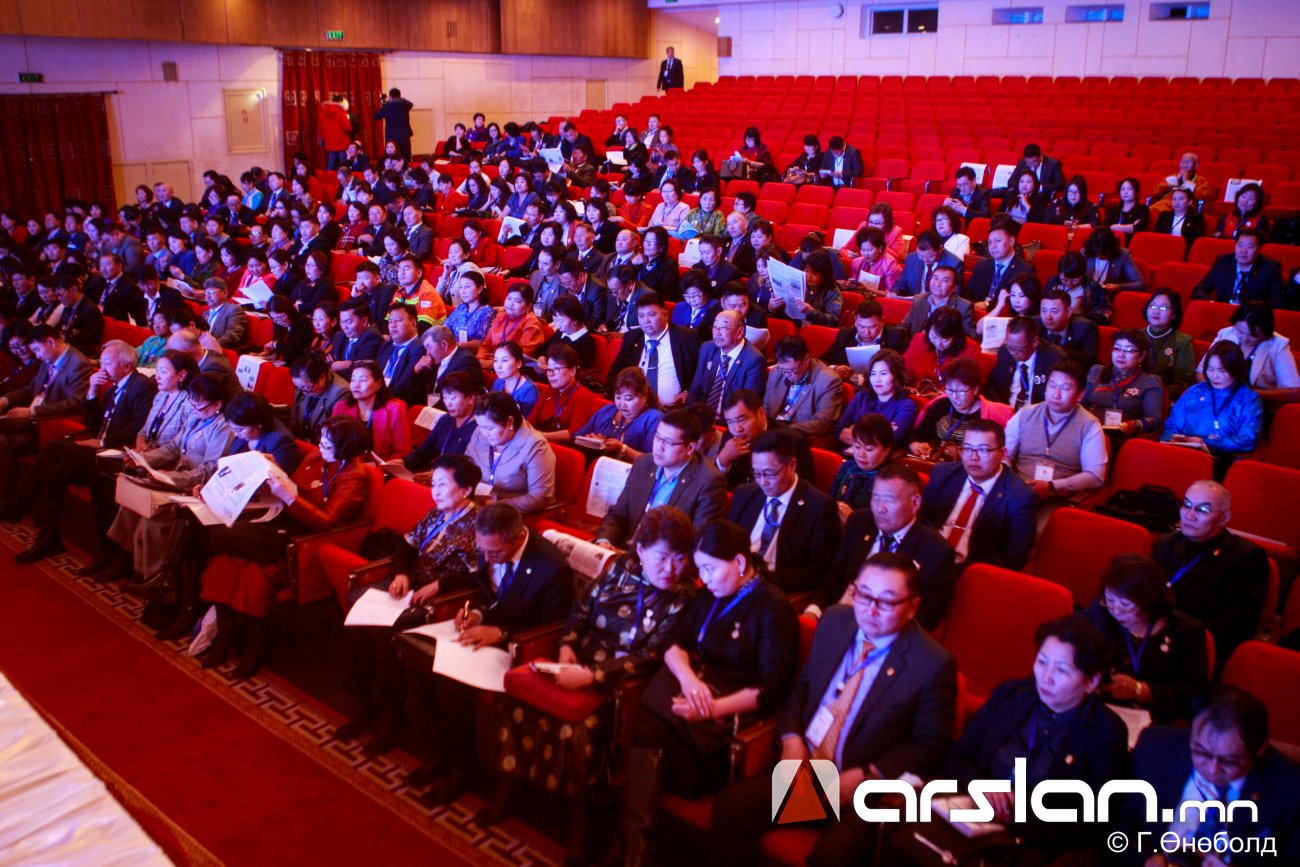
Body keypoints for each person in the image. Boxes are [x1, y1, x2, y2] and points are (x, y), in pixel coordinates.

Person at [716, 549, 959, 867]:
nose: (870, 609)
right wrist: (791, 737)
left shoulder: (930, 663)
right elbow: (802, 688)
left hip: (864, 793)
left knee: (832, 856)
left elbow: (931, 746)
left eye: (886, 602)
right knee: (731, 807)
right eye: (863, 595)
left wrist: (870, 774)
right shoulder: (834, 622)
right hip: (807, 773)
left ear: (913, 606)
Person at [488, 507, 697, 858]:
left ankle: (580, 830)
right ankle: (509, 792)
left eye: (680, 558)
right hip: (575, 664)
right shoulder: (619, 570)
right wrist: (567, 644)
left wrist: (592, 676)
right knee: (514, 699)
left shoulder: (683, 596)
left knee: (580, 731)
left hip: (618, 686)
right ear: (641, 550)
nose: (671, 568)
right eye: (662, 557)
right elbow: (581, 610)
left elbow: (653, 654)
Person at [616, 519, 799, 865]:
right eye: (700, 569)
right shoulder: (710, 594)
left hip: (724, 728)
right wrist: (689, 681)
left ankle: (634, 852)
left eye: (711, 569)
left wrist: (712, 708)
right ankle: (636, 851)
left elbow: (772, 689)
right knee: (645, 732)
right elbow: (674, 643)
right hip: (688, 706)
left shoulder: (772, 608)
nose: (705, 578)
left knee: (645, 737)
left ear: (740, 562)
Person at [903, 616, 1128, 865]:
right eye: (1041, 662)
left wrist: (1015, 814)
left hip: (1032, 839)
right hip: (968, 808)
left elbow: (1094, 822)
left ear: (1092, 681)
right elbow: (958, 758)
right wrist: (981, 786)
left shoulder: (1106, 732)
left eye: (1062, 670)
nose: (1046, 677)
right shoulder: (1012, 694)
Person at [398, 502, 575, 806]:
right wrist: (476, 614)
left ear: (519, 538)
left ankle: (462, 770)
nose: (487, 557)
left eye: (494, 553)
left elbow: (552, 626)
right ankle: (438, 754)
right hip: (483, 633)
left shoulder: (551, 568)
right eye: (483, 550)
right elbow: (486, 591)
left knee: (450, 683)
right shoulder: (486, 546)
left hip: (521, 646)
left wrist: (502, 633)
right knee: (417, 661)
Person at [199, 416, 371, 678]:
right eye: (321, 440)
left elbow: (326, 522)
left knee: (254, 573)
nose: (320, 446)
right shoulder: (317, 456)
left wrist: (288, 497)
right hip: (282, 521)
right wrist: (275, 470)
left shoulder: (354, 477)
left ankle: (254, 650)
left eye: (328, 443)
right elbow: (296, 486)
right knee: (224, 563)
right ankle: (223, 640)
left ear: (346, 447)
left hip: (304, 539)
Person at [338, 455, 481, 754]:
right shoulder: (437, 513)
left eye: (443, 485)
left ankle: (390, 721)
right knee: (360, 622)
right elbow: (405, 545)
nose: (436, 491)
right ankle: (364, 708)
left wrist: (439, 586)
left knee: (386, 640)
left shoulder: (477, 525)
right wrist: (402, 573)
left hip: (441, 601)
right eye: (434, 484)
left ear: (466, 489)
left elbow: (479, 576)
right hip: (411, 587)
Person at [12, 341, 156, 563]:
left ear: (126, 366)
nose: (102, 369)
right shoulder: (112, 389)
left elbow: (138, 426)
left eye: (108, 363)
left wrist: (101, 442)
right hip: (99, 450)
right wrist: (92, 392)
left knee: (53, 448)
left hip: (116, 454)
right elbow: (93, 424)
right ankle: (47, 539)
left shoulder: (141, 386)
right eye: (102, 363)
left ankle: (20, 494)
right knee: (54, 471)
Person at [1121, 688, 1300, 865]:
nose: (1212, 770)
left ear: (1259, 749)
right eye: (1201, 752)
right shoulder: (1155, 747)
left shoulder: (1291, 789)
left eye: (1229, 761)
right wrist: (1146, 858)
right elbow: (1122, 826)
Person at [105, 372, 235, 591]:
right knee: (132, 502)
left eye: (199, 405)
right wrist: (143, 459)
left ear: (218, 404)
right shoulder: (196, 416)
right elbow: (173, 448)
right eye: (191, 403)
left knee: (151, 521)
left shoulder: (223, 428)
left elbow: (210, 469)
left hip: (194, 487)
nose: (193, 409)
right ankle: (123, 560)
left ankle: (154, 579)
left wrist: (169, 477)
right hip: (175, 477)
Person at [816, 465, 957, 630]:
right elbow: (833, 576)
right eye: (876, 498)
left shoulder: (936, 551)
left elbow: (927, 619)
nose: (880, 508)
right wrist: (814, 609)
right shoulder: (859, 522)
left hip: (886, 633)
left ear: (915, 503)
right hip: (836, 619)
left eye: (889, 500)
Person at [1081, 553, 1209, 724]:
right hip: (1102, 709)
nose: (1116, 611)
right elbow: (1065, 636)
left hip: (1156, 719)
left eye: (1126, 605)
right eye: (1110, 600)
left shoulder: (1185, 632)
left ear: (1149, 601)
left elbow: (1195, 694)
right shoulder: (1101, 613)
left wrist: (1141, 690)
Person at [1154, 480, 1268, 673]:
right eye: (1187, 505)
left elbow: (1238, 623)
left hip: (1198, 646)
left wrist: (1177, 630)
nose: (1189, 515)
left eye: (1203, 510)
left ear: (1224, 519)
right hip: (1153, 633)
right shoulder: (1167, 543)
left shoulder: (1246, 557)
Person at [725, 430, 839, 595]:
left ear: (792, 466)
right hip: (735, 576)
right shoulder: (744, 494)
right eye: (757, 473)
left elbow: (818, 570)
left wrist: (759, 578)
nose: (763, 482)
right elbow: (728, 541)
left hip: (776, 587)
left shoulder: (819, 507)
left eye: (770, 474)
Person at [920, 419, 1037, 570]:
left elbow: (1014, 557)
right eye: (967, 449)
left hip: (970, 569)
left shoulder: (1019, 496)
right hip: (925, 558)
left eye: (983, 450)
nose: (973, 458)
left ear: (1002, 453)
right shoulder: (943, 473)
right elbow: (921, 521)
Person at [1005, 360, 1110, 522]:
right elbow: (1003, 455)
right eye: (1052, 386)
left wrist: (1052, 486)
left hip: (1058, 500)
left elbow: (1096, 477)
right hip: (1017, 492)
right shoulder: (1025, 414)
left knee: (1034, 528)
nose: (1056, 394)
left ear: (1080, 395)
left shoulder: (1089, 425)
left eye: (1065, 389)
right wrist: (1010, 482)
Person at [0, 324, 93, 507]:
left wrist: (32, 412)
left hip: (46, 424)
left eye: (37, 349)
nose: (36, 355)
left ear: (50, 342)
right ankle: (9, 500)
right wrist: (5, 400)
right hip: (31, 418)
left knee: (2, 441)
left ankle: (9, 501)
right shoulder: (48, 359)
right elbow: (31, 389)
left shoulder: (78, 364)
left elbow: (74, 404)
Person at [465, 392, 556, 514]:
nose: (484, 433)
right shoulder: (480, 433)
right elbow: (466, 467)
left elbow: (540, 498)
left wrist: (495, 506)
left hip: (513, 514)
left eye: (490, 428)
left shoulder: (535, 446)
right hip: (477, 504)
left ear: (509, 421)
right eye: (481, 426)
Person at [606, 291, 699, 408]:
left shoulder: (686, 337)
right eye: (641, 316)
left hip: (673, 410)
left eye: (651, 315)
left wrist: (687, 391)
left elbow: (700, 373)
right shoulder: (631, 338)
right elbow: (615, 373)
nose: (646, 321)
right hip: (636, 409)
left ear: (665, 315)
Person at [1197, 302, 1300, 402]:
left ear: (1266, 332)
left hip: (1258, 403)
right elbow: (1200, 372)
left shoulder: (1278, 345)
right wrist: (1214, 391)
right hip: (1218, 398)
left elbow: (1293, 392)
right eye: (1240, 331)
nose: (1245, 338)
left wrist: (1247, 394)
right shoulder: (1226, 334)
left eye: (1253, 335)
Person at [1083, 328, 1168, 441]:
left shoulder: (1150, 381)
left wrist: (1128, 426)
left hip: (1124, 437)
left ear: (1141, 356)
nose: (1121, 355)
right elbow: (1081, 404)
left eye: (1129, 350)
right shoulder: (1097, 372)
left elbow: (1154, 420)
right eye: (1117, 349)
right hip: (1090, 431)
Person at [685, 309, 766, 416]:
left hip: (731, 419)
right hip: (702, 415)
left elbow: (747, 404)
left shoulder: (754, 360)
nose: (717, 333)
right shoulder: (707, 348)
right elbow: (696, 388)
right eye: (715, 327)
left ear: (740, 332)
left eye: (723, 328)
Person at [763, 334, 843, 438]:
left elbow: (823, 423)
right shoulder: (776, 372)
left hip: (798, 435)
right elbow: (766, 408)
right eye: (782, 370)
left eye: (791, 370)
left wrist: (783, 431)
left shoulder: (828, 381)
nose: (786, 375)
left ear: (806, 359)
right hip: (771, 430)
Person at [835, 349, 917, 447]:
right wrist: (871, 440)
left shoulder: (906, 406)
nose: (877, 379)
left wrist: (855, 431)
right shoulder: (862, 396)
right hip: (847, 452)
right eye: (873, 374)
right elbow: (839, 430)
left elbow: (890, 441)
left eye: (883, 373)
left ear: (897, 376)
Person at [331, 360, 410, 461]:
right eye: (353, 380)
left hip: (382, 466)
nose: (356, 385)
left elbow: (403, 451)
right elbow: (332, 443)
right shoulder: (341, 407)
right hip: (349, 466)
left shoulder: (394, 410)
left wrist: (382, 467)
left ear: (378, 384)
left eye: (363, 380)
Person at [984, 315, 1068, 409]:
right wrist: (1001, 410)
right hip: (1008, 409)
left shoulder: (1053, 357)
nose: (1012, 353)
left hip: (1037, 412)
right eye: (1009, 347)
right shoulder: (1005, 352)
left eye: (1018, 349)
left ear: (1034, 342)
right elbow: (993, 386)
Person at [1191, 228, 1286, 306]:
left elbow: (1279, 301)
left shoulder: (1270, 268)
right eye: (1240, 245)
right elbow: (1199, 290)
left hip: (1251, 317)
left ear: (1258, 250)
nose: (1243, 251)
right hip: (1222, 311)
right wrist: (1212, 304)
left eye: (1250, 247)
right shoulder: (1223, 263)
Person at [902, 306, 981, 395]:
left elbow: (970, 387)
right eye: (934, 336)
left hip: (948, 398)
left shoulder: (971, 349)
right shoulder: (920, 339)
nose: (938, 343)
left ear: (956, 336)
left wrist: (948, 394)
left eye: (945, 340)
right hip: (916, 393)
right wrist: (907, 387)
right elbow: (904, 370)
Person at [821, 298, 909, 378]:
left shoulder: (896, 337)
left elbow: (903, 372)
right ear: (855, 321)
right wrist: (835, 368)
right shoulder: (845, 335)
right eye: (862, 327)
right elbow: (823, 361)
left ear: (882, 321)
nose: (866, 333)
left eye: (872, 327)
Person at [831, 414, 896, 516]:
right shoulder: (848, 467)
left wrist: (853, 519)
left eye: (869, 449)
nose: (861, 454)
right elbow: (831, 499)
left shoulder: (891, 481)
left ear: (887, 450)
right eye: (857, 446)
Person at [1143, 290, 1197, 398]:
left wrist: (1154, 394)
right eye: (1152, 306)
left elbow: (1181, 382)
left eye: (1163, 308)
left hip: (1163, 396)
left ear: (1174, 314)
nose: (1156, 311)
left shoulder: (1182, 341)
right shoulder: (1135, 336)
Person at [477, 283, 547, 365]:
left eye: (517, 301)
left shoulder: (531, 323)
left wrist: (491, 363)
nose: (511, 303)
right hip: (491, 362)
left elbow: (520, 355)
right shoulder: (500, 316)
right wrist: (480, 359)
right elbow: (485, 344)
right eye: (509, 298)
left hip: (512, 366)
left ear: (528, 306)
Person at [962, 224, 1032, 305]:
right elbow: (968, 295)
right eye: (990, 242)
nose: (993, 246)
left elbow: (1021, 304)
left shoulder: (1025, 270)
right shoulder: (981, 265)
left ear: (1011, 241)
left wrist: (989, 305)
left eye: (998, 241)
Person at [902, 265, 976, 339]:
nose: (937, 284)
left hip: (943, 345)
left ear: (955, 288)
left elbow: (970, 336)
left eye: (945, 280)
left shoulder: (963, 306)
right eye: (935, 278)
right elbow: (905, 325)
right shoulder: (919, 299)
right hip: (916, 342)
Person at [288, 354, 348, 444]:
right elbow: (294, 419)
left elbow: (331, 437)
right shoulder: (302, 386)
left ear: (322, 378)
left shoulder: (340, 394)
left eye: (305, 388)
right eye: (299, 388)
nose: (303, 393)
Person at [1037, 288, 1100, 367]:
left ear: (1068, 312)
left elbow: (1089, 361)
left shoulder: (1086, 327)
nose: (1048, 317)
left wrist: (1054, 350)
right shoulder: (1035, 324)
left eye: (1054, 311)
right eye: (1044, 311)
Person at [1044, 250, 1110, 324]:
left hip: (1078, 324)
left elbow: (1102, 314)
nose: (1069, 283)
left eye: (1074, 280)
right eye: (1065, 280)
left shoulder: (1093, 288)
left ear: (1082, 275)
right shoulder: (1053, 283)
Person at [894, 230, 963, 298]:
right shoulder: (912, 258)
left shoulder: (954, 264)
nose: (925, 260)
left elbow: (954, 295)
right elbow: (901, 283)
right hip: (912, 301)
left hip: (938, 303)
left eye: (930, 257)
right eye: (920, 255)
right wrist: (895, 293)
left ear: (940, 249)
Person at [1083, 226, 1146, 295]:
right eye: (1097, 253)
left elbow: (1140, 284)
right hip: (1086, 295)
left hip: (1109, 297)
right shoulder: (1085, 252)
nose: (1100, 256)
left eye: (1103, 254)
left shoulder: (1123, 255)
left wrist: (1118, 287)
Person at [488, 341, 539, 418]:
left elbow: (530, 421)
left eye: (504, 360)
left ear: (518, 363)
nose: (498, 366)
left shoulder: (529, 390)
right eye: (495, 360)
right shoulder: (498, 382)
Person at [849, 226, 902, 294]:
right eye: (863, 250)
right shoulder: (856, 262)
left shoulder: (890, 265)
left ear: (880, 247)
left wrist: (868, 289)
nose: (866, 254)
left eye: (869, 250)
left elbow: (892, 294)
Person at [1152, 186, 1206, 253]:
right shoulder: (1164, 215)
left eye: (1181, 199)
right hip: (1163, 248)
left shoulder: (1196, 218)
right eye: (1174, 199)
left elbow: (1196, 240)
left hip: (1185, 250)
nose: (1176, 202)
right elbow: (1156, 235)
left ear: (1190, 201)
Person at [373, 88, 413, 161]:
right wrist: (400, 99)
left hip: (391, 135)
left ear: (390, 96)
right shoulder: (404, 104)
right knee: (406, 156)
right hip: (404, 135)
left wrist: (383, 103)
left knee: (392, 156)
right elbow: (411, 104)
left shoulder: (387, 106)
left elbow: (377, 116)